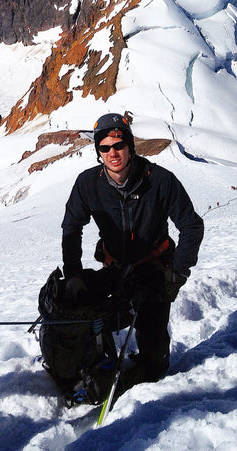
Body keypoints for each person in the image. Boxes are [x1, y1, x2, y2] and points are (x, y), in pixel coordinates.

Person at [61, 113, 204, 388]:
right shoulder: (88, 184)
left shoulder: (159, 180)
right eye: (104, 147)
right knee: (75, 307)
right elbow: (71, 228)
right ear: (98, 152)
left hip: (154, 271)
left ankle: (145, 363)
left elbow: (191, 226)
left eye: (118, 145)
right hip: (114, 269)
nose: (112, 153)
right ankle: (94, 364)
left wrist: (176, 273)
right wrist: (73, 274)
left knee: (154, 367)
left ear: (129, 146)